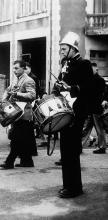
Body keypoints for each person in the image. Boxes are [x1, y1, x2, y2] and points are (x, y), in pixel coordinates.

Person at [52, 32, 95, 198]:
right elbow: (63, 83)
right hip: (65, 109)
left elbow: (89, 88)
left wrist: (72, 88)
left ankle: (75, 187)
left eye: (64, 48)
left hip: (77, 112)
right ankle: (67, 185)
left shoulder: (83, 64)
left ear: (72, 48)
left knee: (71, 150)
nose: (61, 51)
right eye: (61, 49)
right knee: (65, 149)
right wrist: (58, 87)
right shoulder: (65, 63)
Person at [0, 60, 36, 169]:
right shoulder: (16, 79)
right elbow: (8, 89)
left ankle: (9, 162)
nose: (14, 70)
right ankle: (27, 161)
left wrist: (17, 94)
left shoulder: (29, 80)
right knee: (22, 139)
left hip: (24, 114)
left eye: (16, 68)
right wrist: (4, 99)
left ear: (23, 68)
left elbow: (32, 95)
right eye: (13, 68)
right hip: (17, 113)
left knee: (16, 139)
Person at [81, 62, 106, 154]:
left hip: (96, 108)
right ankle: (79, 146)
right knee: (86, 128)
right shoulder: (89, 79)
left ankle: (102, 147)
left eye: (92, 69)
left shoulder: (100, 80)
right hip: (91, 108)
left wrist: (104, 101)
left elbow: (105, 93)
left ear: (96, 69)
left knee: (99, 128)